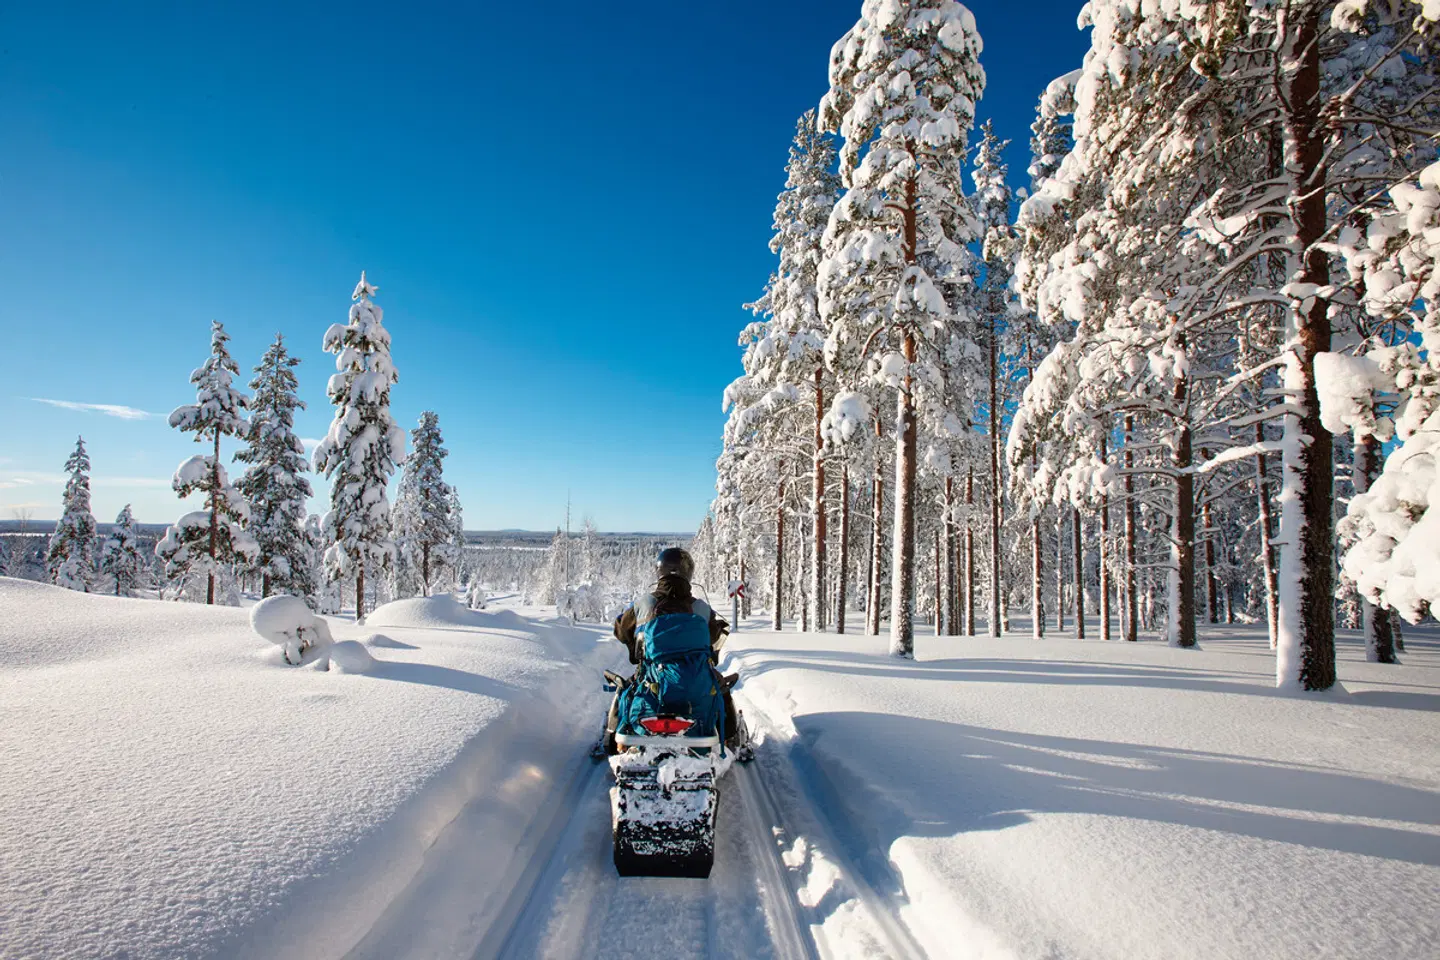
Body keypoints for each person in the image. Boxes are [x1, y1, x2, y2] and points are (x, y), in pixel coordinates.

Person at [599, 547, 743, 756]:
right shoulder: (702, 608)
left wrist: (635, 643)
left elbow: (621, 630)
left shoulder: (643, 603)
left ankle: (611, 739)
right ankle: (729, 738)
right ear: (688, 573)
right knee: (722, 690)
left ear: (660, 571)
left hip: (652, 677)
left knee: (626, 689)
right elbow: (713, 638)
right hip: (695, 680)